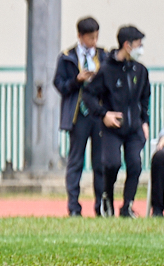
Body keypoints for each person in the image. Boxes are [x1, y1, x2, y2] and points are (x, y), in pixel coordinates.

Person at [83, 24, 149, 218]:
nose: (140, 48)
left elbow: (145, 98)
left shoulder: (140, 71)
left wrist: (144, 121)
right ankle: (107, 198)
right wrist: (104, 114)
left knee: (135, 164)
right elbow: (89, 94)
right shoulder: (107, 70)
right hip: (113, 128)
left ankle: (127, 206)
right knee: (112, 164)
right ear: (127, 45)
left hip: (134, 128)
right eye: (138, 44)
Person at [54, 17, 105, 216]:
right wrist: (77, 80)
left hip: (98, 114)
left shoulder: (103, 56)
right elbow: (59, 84)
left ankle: (101, 205)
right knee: (75, 161)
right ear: (80, 36)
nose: (94, 41)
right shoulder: (67, 57)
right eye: (90, 37)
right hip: (78, 115)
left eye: (96, 37)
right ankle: (74, 206)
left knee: (100, 162)